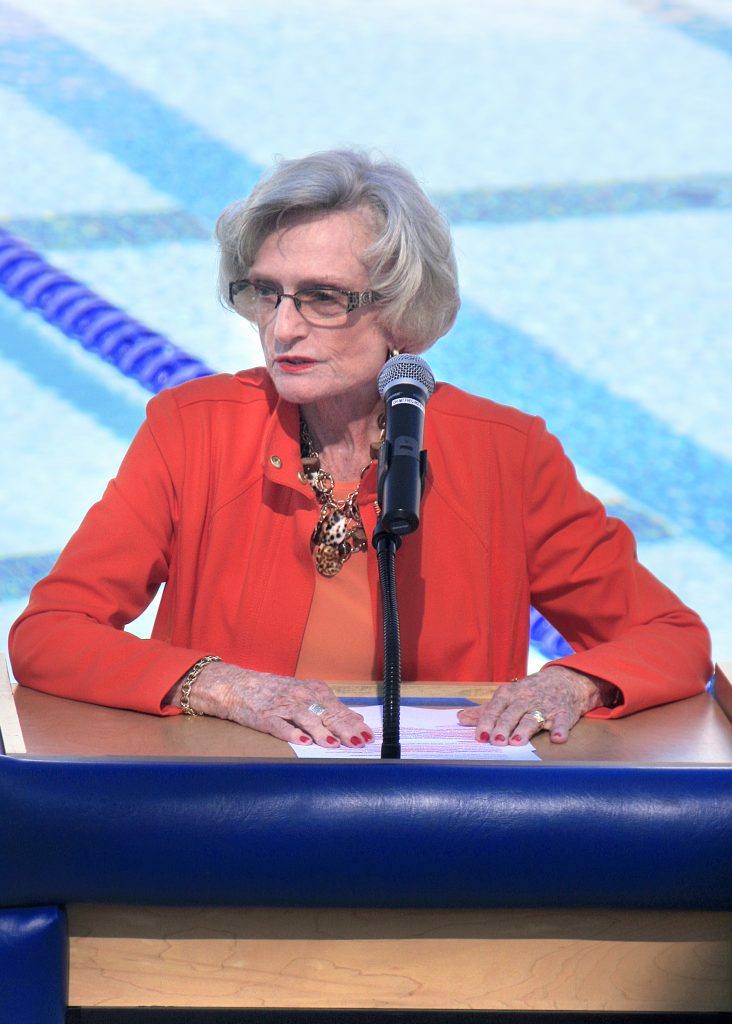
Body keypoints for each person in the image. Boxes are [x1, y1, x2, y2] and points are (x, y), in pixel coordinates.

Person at [9, 149, 712, 750]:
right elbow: (50, 634)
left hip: (436, 822)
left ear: (403, 312)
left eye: (322, 297)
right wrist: (218, 684)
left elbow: (673, 640)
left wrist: (572, 680)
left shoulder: (506, 454)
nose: (282, 327)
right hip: (224, 808)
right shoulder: (194, 429)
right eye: (267, 293)